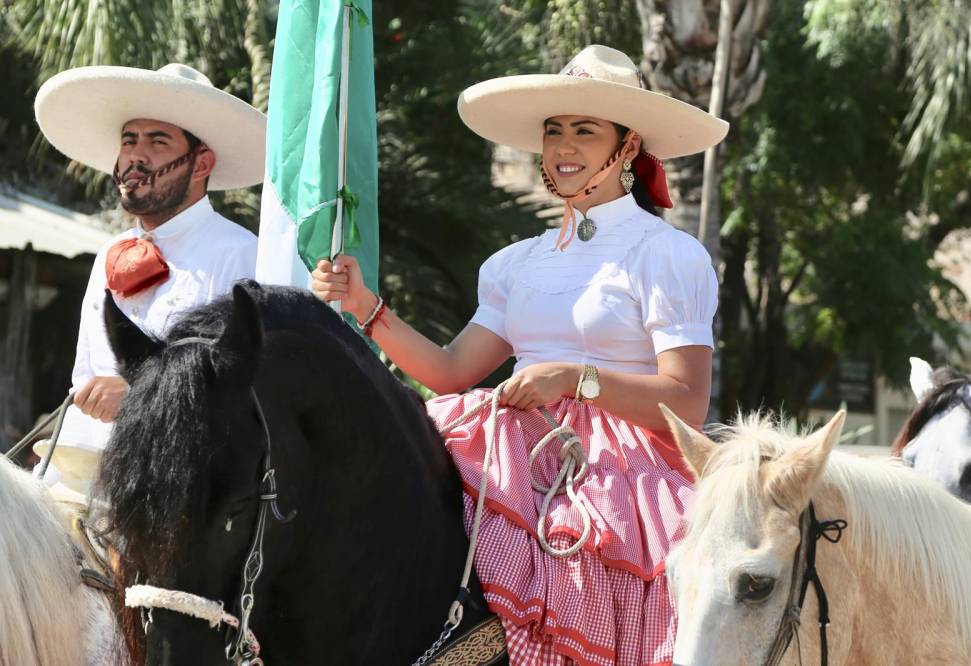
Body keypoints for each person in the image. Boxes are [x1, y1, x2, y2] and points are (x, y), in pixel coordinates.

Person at [312, 45, 727, 665]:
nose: (562, 145)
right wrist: (368, 308)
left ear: (628, 145)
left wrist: (576, 379)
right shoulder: (517, 262)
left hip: (620, 474)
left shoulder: (667, 255)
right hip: (510, 446)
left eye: (584, 130)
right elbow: (452, 372)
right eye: (553, 130)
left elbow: (688, 403)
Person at [33, 63, 265, 458]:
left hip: (177, 482)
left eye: (158, 142)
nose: (136, 156)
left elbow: (248, 389)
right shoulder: (110, 252)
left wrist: (139, 396)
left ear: (201, 164)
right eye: (129, 141)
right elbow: (86, 375)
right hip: (82, 461)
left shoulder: (242, 254)